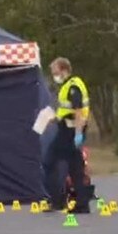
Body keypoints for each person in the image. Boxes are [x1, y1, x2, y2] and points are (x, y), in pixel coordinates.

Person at [44, 57, 92, 214]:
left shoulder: (73, 87)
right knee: (75, 167)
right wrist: (55, 118)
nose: (54, 76)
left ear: (64, 70)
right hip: (67, 129)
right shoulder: (67, 85)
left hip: (71, 132)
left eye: (55, 72)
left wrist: (78, 135)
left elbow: (78, 111)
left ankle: (58, 201)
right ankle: (80, 203)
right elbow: (68, 110)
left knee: (50, 161)